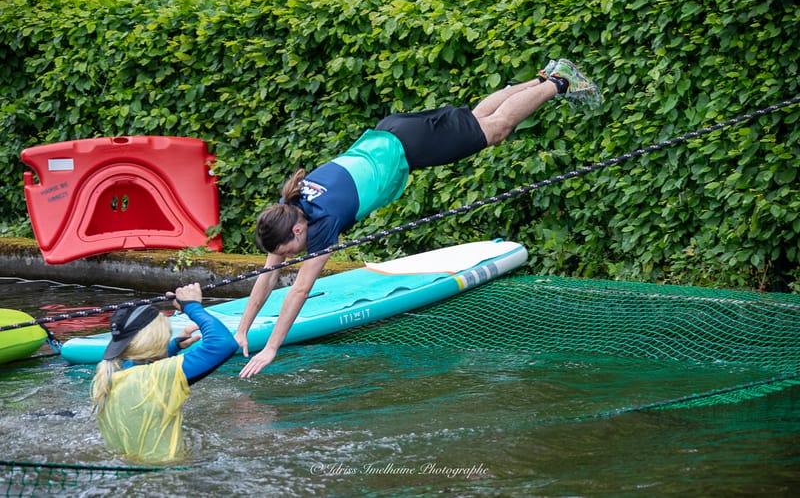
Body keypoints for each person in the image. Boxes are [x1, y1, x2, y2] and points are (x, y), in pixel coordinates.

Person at [236, 58, 602, 378]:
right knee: (476, 121)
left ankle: (560, 83)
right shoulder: (291, 206)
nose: (290, 255)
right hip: (392, 131)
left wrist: (271, 348)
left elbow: (299, 289)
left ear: (299, 229)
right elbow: (267, 276)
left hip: (408, 146)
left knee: (496, 130)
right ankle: (543, 78)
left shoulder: (324, 220)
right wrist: (242, 330)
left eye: (291, 249)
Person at [90, 283, 238, 462]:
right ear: (156, 339)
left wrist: (172, 347)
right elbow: (222, 344)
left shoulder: (108, 374)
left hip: (128, 471)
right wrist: (192, 306)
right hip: (169, 472)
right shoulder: (155, 378)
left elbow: (136, 364)